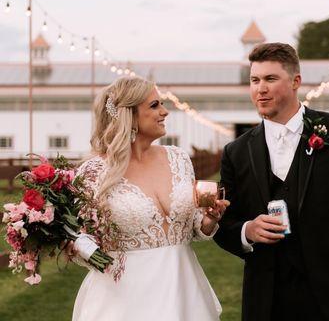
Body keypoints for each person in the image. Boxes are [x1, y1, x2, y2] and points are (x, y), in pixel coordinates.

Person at [214, 42, 329, 321]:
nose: (260, 88)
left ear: (295, 81)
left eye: (270, 78)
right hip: (268, 299)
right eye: (254, 80)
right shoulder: (236, 151)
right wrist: (247, 230)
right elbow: (224, 222)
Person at [72, 76, 228, 321]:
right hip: (125, 298)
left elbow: (194, 227)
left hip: (184, 289)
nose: (165, 112)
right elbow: (80, 239)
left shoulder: (178, 158)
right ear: (130, 115)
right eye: (154, 105)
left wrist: (209, 219)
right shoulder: (94, 172)